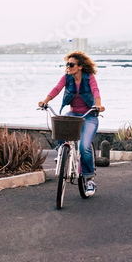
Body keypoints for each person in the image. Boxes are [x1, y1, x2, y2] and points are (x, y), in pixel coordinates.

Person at [38, 51, 105, 196]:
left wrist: (98, 105)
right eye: (67, 64)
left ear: (80, 66)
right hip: (73, 114)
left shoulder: (89, 78)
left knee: (84, 146)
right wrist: (45, 101)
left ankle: (89, 179)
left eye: (71, 64)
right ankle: (63, 152)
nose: (68, 67)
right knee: (60, 123)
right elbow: (57, 88)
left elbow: (95, 91)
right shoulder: (67, 78)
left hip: (89, 116)